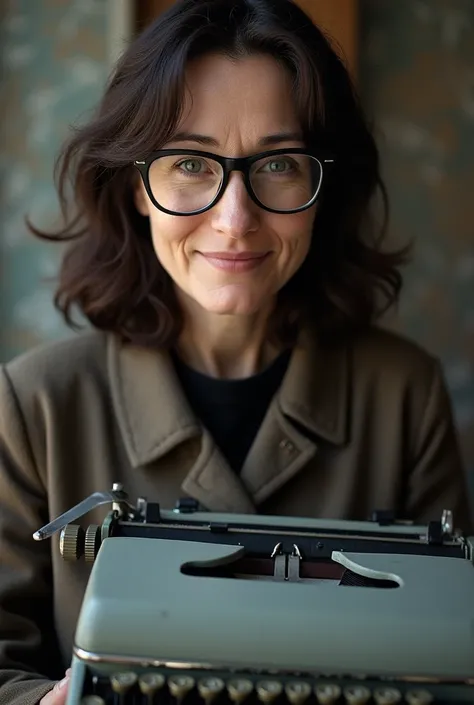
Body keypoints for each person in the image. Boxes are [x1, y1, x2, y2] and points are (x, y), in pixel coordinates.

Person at [0, 0, 471, 703]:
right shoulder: (33, 404)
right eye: (191, 162)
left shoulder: (406, 394)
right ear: (137, 187)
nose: (235, 219)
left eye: (277, 163)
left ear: (323, 187)